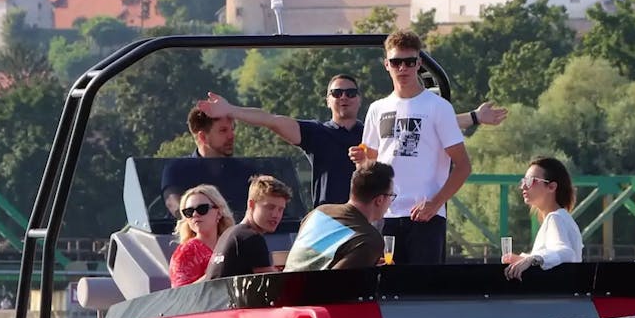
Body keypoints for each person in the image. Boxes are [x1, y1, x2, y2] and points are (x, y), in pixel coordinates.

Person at [196, 78, 505, 208]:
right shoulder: (317, 133)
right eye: (337, 93)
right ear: (328, 99)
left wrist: (475, 117)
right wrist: (231, 110)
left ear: (359, 99)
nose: (344, 97)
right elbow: (272, 119)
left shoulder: (377, 128)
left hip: (371, 217)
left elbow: (431, 124)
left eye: (350, 92)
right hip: (331, 215)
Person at [349, 30, 472, 265]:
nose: (402, 68)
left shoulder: (438, 107)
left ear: (419, 64)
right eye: (396, 62)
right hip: (385, 214)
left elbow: (463, 166)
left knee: (421, 291)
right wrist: (361, 160)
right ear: (387, 65)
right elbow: (371, 166)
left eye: (409, 62)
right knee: (385, 288)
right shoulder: (377, 108)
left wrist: (435, 204)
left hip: (425, 215)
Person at [284, 161, 395, 271]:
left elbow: (316, 259)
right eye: (391, 195)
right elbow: (339, 284)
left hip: (280, 286)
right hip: (312, 288)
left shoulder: (319, 212)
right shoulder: (369, 239)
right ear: (379, 200)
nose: (391, 201)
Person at [502, 157, 583, 281]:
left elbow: (566, 252)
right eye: (523, 181)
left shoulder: (555, 218)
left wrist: (533, 259)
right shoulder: (561, 217)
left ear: (551, 187)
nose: (523, 186)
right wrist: (523, 260)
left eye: (530, 181)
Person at [204, 175, 292, 279]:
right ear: (251, 204)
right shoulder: (250, 238)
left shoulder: (229, 234)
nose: (275, 215)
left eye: (280, 209)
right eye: (270, 207)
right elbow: (272, 285)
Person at [162, 104, 238, 216]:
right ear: (203, 137)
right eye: (223, 130)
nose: (231, 136)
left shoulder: (244, 170)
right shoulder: (177, 169)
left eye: (232, 130)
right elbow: (173, 204)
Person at [169, 184, 235, 287]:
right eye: (189, 212)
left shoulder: (233, 245)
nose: (195, 215)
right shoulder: (185, 252)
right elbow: (180, 296)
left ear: (219, 212)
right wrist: (216, 273)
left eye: (202, 209)